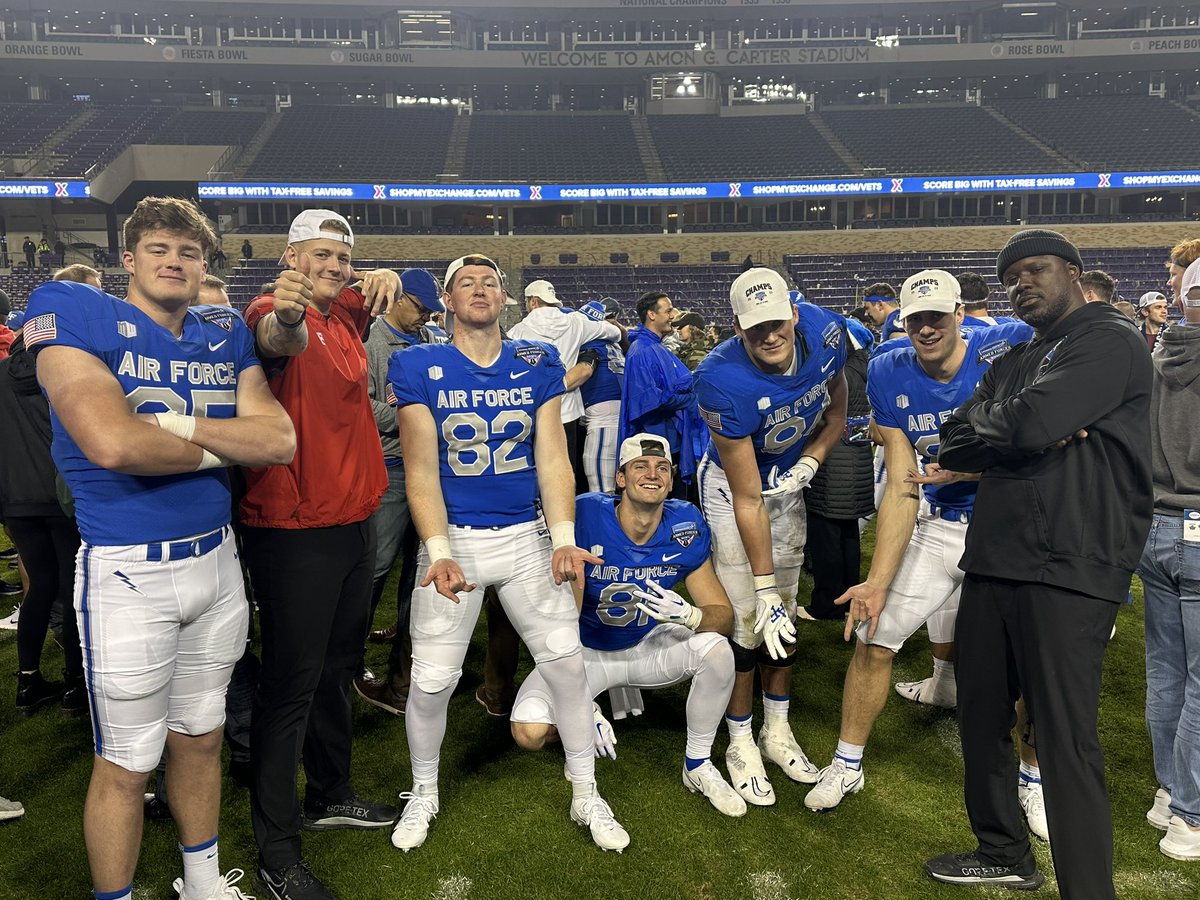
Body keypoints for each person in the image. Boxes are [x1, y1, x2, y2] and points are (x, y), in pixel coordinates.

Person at [25, 196, 296, 900]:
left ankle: (202, 883)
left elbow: (278, 441)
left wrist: (172, 430)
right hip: (129, 574)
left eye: (189, 252)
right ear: (128, 260)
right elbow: (112, 443)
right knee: (126, 762)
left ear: (204, 263)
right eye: (158, 249)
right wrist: (215, 435)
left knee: (202, 735)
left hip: (216, 563)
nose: (175, 262)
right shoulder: (75, 310)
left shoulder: (220, 330)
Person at [926, 230, 1152, 898]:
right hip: (997, 558)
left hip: (1072, 562)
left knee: (1063, 739)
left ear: (1074, 273)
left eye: (1036, 269)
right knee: (981, 716)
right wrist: (1023, 424)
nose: (1022, 283)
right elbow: (959, 434)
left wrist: (1017, 426)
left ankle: (1088, 890)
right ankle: (1003, 850)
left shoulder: (1110, 338)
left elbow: (1016, 429)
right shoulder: (1016, 360)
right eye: (1011, 277)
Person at [388, 253, 628, 854]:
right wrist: (438, 549)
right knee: (431, 682)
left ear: (506, 298)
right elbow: (420, 468)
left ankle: (585, 790)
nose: (479, 289)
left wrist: (565, 538)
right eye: (465, 282)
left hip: (525, 535)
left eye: (490, 281)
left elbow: (553, 458)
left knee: (567, 670)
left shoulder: (535, 360)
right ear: (447, 300)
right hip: (458, 539)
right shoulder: (418, 362)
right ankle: (423, 791)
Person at [803, 271, 1034, 820]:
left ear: (962, 314)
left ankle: (1034, 778)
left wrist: (970, 473)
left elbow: (1038, 449)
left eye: (937, 316)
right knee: (873, 632)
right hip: (936, 523)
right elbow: (905, 486)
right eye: (915, 319)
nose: (926, 328)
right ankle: (846, 762)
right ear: (903, 322)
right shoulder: (887, 368)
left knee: (1030, 660)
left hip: (1006, 525)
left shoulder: (1007, 346)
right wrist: (876, 582)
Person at [238, 209, 399, 900]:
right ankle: (276, 849)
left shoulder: (345, 310)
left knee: (339, 667)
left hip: (352, 520)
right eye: (319, 255)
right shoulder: (281, 308)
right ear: (289, 256)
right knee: (291, 687)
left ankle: (330, 791)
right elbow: (278, 334)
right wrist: (290, 312)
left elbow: (371, 294)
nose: (332, 266)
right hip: (295, 528)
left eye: (343, 256)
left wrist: (385, 275)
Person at [510, 433, 744, 817]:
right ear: (621, 478)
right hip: (583, 652)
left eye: (662, 467)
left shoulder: (685, 523)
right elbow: (545, 606)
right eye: (641, 466)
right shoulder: (584, 516)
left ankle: (698, 765)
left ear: (670, 479)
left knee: (718, 651)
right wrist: (582, 708)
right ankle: (578, 732)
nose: (652, 474)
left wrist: (690, 616)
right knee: (528, 732)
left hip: (646, 644)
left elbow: (722, 614)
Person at [692, 267, 848, 807]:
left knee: (783, 613)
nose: (769, 335)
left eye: (777, 322)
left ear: (795, 315)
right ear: (736, 327)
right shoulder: (719, 379)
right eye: (755, 327)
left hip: (787, 478)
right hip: (737, 488)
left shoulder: (828, 333)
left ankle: (775, 729)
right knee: (749, 615)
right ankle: (738, 737)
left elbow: (838, 406)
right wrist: (762, 590)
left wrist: (812, 458)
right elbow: (747, 497)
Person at [353, 267, 445, 717]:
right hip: (390, 470)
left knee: (421, 572)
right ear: (398, 298)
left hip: (428, 471)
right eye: (420, 307)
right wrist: (417, 418)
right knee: (375, 569)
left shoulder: (429, 339)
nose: (426, 316)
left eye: (430, 310)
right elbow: (360, 402)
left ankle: (404, 676)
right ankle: (347, 663)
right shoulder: (370, 340)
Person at [1140, 256, 1200, 861]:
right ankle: (1191, 814)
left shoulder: (1153, 357)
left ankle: (1168, 792)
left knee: (1168, 671)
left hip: (1154, 529)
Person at [620, 291, 703, 495]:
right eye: (668, 311)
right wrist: (690, 398)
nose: (672, 316)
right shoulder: (642, 351)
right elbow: (650, 401)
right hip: (656, 446)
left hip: (669, 440)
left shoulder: (656, 347)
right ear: (652, 315)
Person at [578, 297, 626, 494]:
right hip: (619, 415)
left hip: (603, 418)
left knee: (601, 492)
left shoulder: (590, 342)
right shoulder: (614, 344)